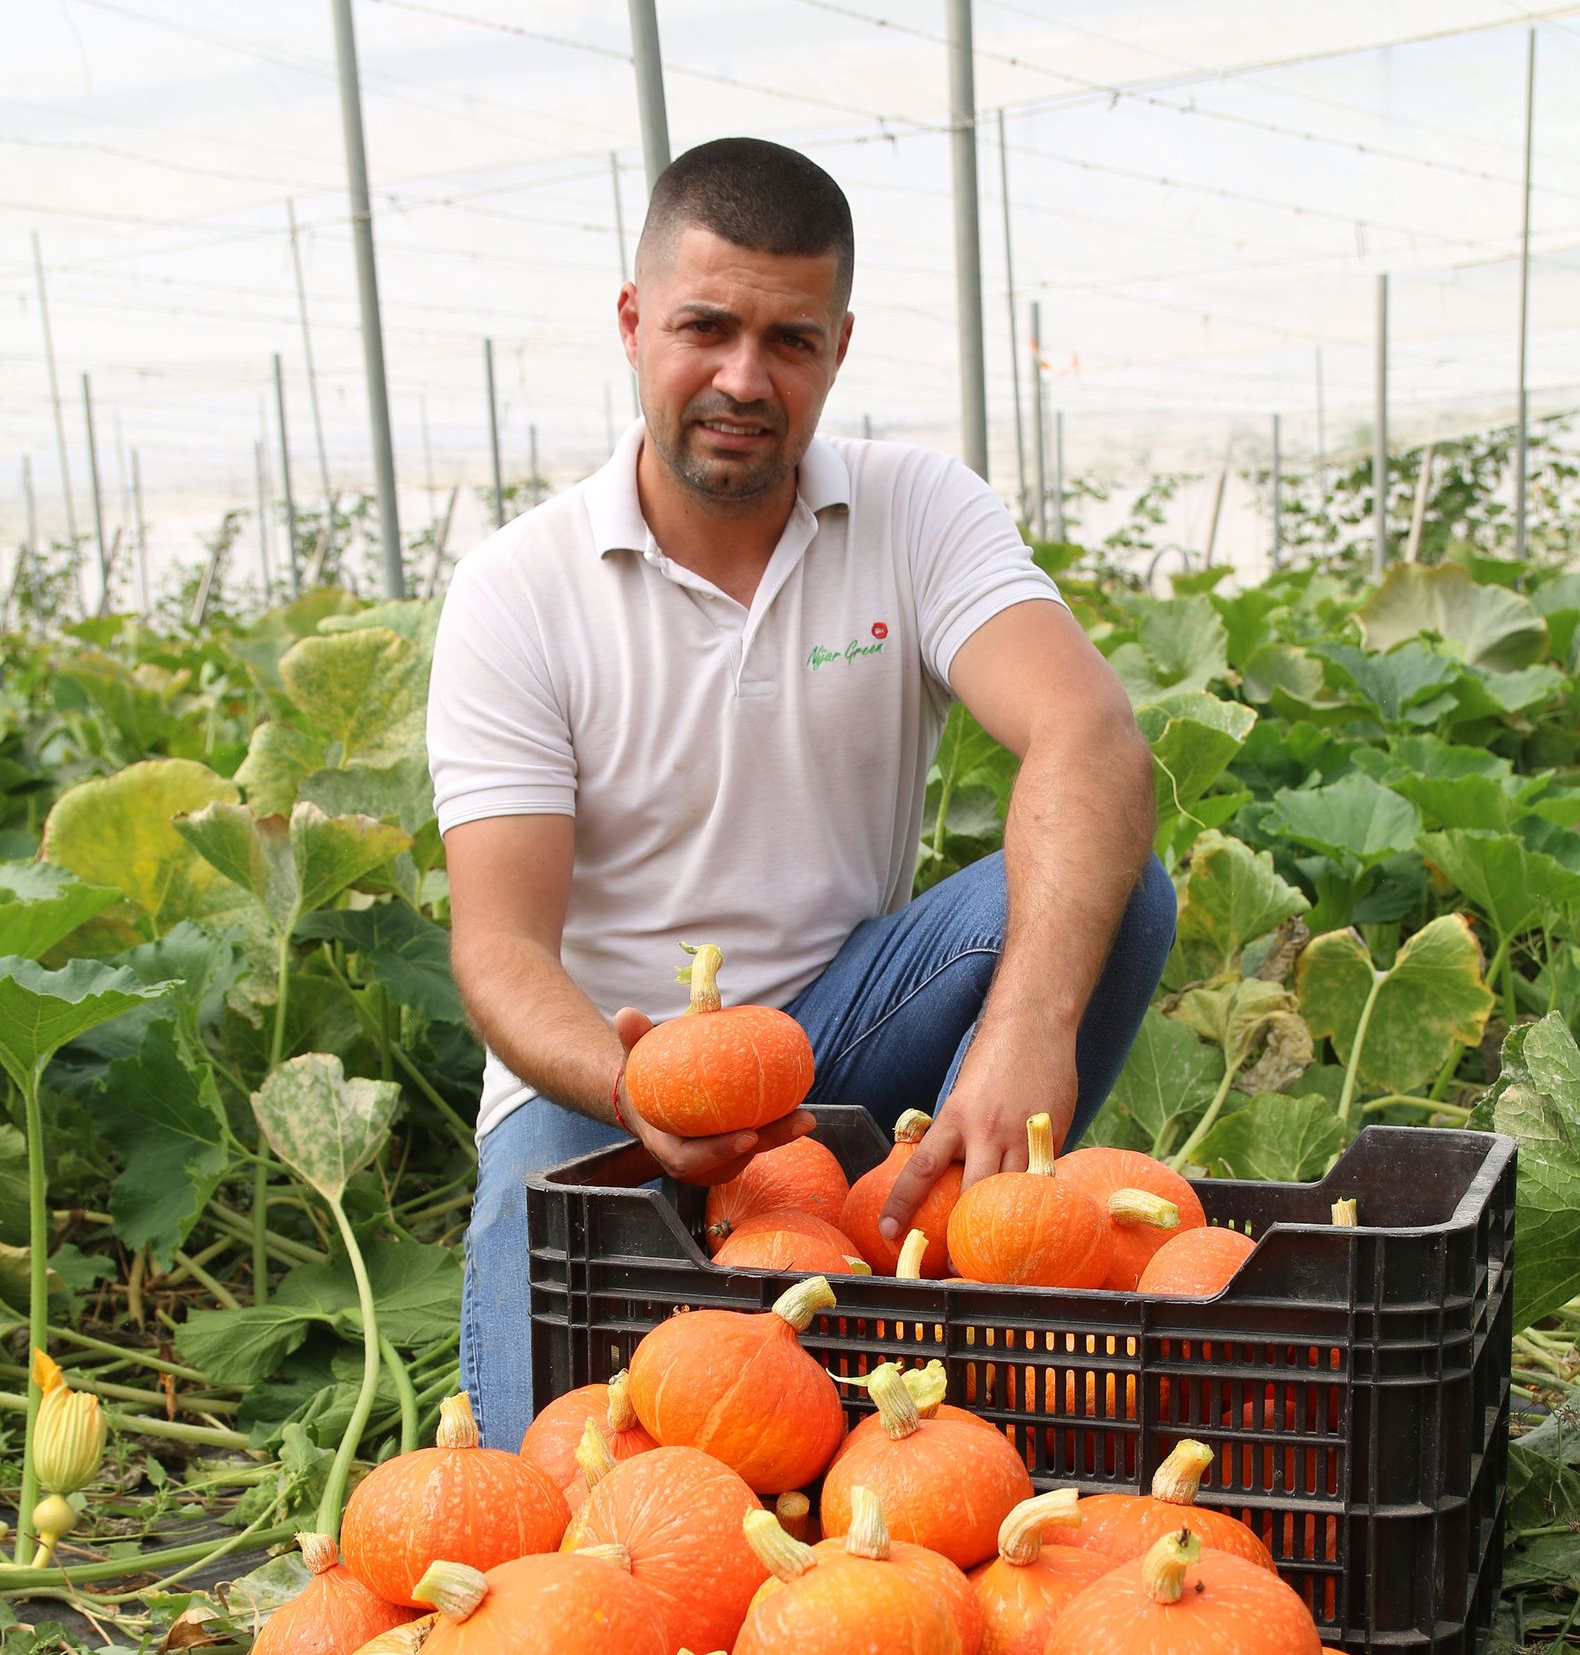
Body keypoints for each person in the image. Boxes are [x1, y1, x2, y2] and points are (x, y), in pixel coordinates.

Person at [428, 136, 1176, 1453]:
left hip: (840, 1028)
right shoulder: (520, 589)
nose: (742, 377)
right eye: (704, 327)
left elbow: (1092, 739)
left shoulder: (912, 511)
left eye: (789, 340)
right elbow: (498, 947)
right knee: (535, 1470)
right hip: (599, 1079)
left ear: (837, 344)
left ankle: (943, 1311)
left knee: (1115, 892)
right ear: (631, 322)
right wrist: (633, 1083)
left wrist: (1030, 1027)